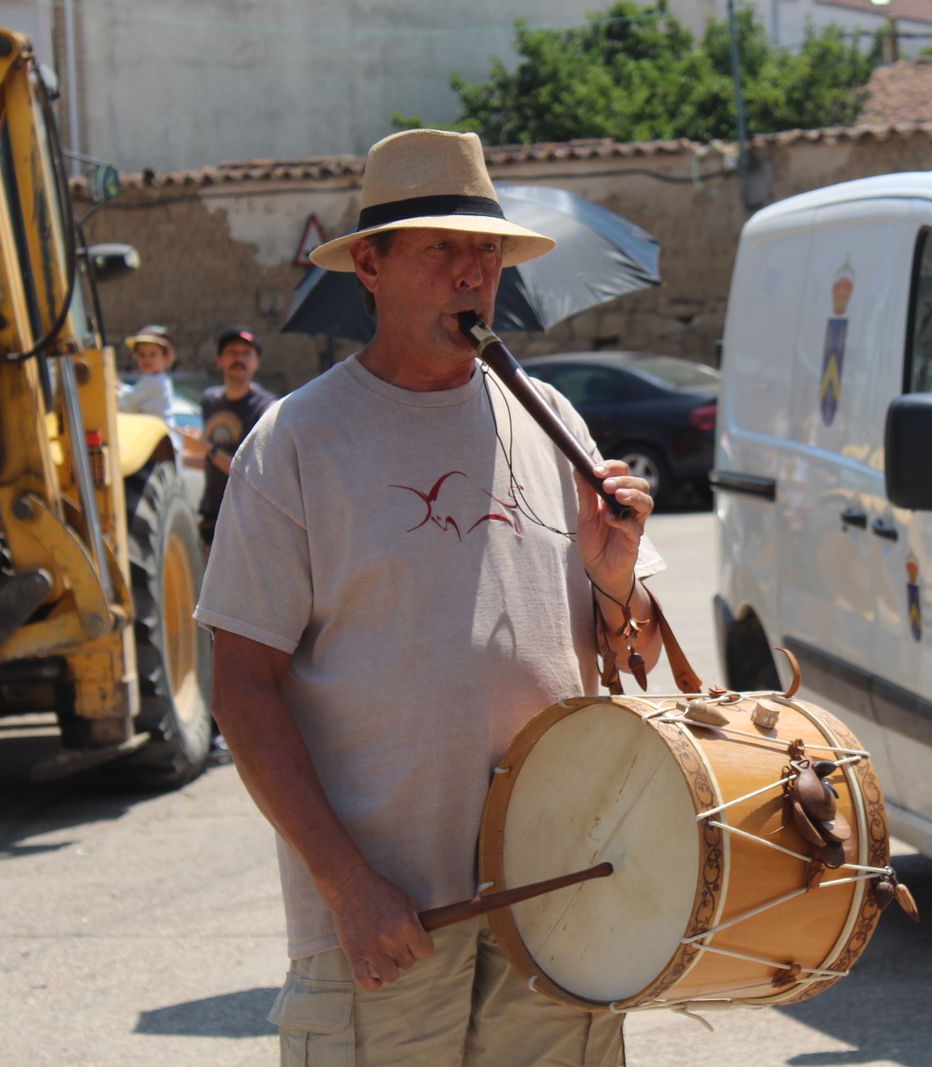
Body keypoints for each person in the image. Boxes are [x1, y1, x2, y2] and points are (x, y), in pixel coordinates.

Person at [193, 128, 662, 1066]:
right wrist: (345, 884)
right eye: (440, 247)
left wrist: (615, 582)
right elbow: (241, 686)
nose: (471, 274)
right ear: (368, 264)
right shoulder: (297, 441)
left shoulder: (553, 420)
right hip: (389, 917)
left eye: (485, 251)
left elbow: (632, 651)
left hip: (559, 894)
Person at [192, 325, 276, 545]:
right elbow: (208, 462)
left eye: (246, 353)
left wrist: (207, 449)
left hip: (249, 523)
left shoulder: (266, 409)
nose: (239, 359)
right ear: (219, 360)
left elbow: (252, 474)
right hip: (213, 519)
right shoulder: (210, 401)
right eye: (232, 352)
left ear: (257, 362)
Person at [118, 324, 178, 422]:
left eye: (153, 354)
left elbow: (126, 405)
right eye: (142, 355)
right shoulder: (158, 379)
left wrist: (115, 393)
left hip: (158, 434)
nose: (147, 359)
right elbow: (136, 393)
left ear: (165, 357)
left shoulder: (153, 381)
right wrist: (122, 388)